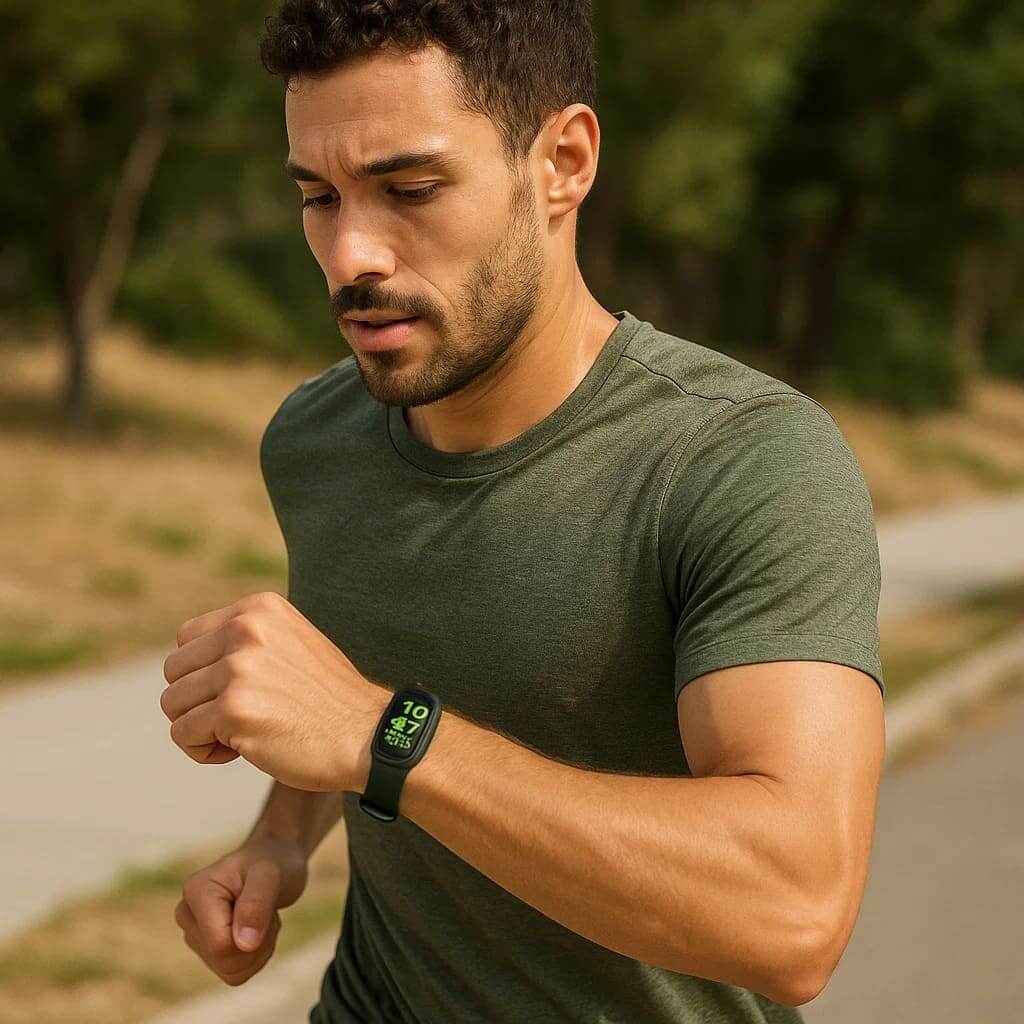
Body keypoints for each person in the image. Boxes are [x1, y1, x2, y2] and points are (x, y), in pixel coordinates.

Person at [166, 2, 886, 1021]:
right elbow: (357, 672)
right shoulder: (315, 439)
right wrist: (280, 839)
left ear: (564, 161)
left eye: (409, 188)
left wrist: (385, 737)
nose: (350, 256)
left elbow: (793, 912)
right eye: (318, 196)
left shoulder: (742, 462)